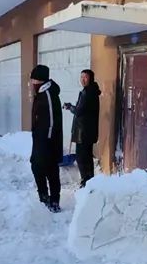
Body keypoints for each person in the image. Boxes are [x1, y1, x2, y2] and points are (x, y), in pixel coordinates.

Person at [29, 64, 63, 212]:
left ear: (40, 80)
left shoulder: (48, 95)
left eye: (33, 79)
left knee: (51, 170)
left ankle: (54, 201)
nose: (32, 82)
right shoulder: (41, 93)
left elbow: (52, 122)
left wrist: (46, 141)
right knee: (36, 166)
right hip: (40, 139)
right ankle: (43, 196)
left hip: (48, 142)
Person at [64, 69, 100, 187]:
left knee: (81, 157)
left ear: (91, 78)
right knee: (87, 157)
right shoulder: (91, 91)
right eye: (81, 77)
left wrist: (70, 107)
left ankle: (86, 181)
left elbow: (79, 111)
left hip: (83, 131)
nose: (83, 80)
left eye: (85, 77)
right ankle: (90, 181)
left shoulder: (87, 93)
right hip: (88, 131)